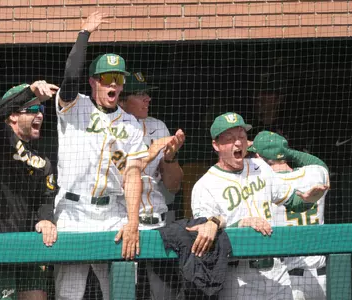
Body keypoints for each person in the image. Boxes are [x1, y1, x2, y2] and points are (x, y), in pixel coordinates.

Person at [54, 12, 148, 300]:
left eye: (118, 78)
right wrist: (84, 33)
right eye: (107, 78)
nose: (113, 85)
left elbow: (133, 175)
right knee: (69, 294)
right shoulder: (75, 106)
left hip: (112, 214)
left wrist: (132, 222)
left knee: (120, 291)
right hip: (73, 212)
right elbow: (70, 75)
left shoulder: (131, 124)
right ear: (94, 82)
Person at [189, 112, 329, 300]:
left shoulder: (260, 167)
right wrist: (241, 224)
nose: (237, 143)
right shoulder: (204, 186)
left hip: (276, 273)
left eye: (241, 137)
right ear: (216, 145)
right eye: (229, 139)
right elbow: (205, 238)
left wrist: (309, 199)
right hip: (238, 277)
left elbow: (291, 202)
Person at [0, 81, 59, 300]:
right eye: (33, 109)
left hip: (28, 244)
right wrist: (30, 92)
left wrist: (46, 219)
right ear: (13, 116)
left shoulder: (42, 160)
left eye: (42, 110)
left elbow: (47, 197)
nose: (40, 116)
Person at [118, 71, 185, 300]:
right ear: (121, 100)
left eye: (147, 94)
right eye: (139, 94)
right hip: (125, 228)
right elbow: (117, 178)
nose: (147, 99)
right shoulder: (110, 128)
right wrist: (151, 151)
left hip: (159, 225)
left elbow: (174, 186)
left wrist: (170, 158)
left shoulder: (158, 126)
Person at [248, 131, 329, 300]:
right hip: (322, 279)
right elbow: (317, 162)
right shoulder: (315, 173)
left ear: (258, 156)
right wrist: (286, 150)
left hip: (290, 281)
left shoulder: (264, 184)